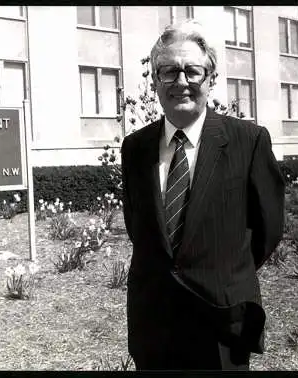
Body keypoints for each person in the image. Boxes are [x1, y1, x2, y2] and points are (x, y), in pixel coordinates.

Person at [121, 20, 285, 370]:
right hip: (154, 327)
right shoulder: (135, 148)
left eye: (192, 71)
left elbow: (268, 229)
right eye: (168, 72)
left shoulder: (249, 141)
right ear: (155, 82)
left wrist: (223, 270)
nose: (181, 82)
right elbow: (139, 229)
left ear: (210, 79)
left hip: (223, 326)